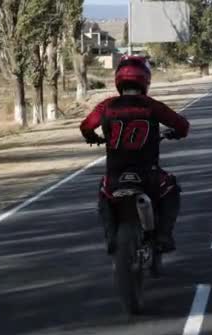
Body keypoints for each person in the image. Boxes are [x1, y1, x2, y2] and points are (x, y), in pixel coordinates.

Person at [79, 55, 190, 254]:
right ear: (145, 80)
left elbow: (86, 126)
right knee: (171, 187)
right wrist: (177, 133)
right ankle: (163, 235)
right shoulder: (152, 105)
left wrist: (93, 137)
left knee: (104, 192)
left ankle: (111, 236)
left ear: (118, 80)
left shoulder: (106, 106)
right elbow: (182, 125)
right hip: (148, 175)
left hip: (115, 174)